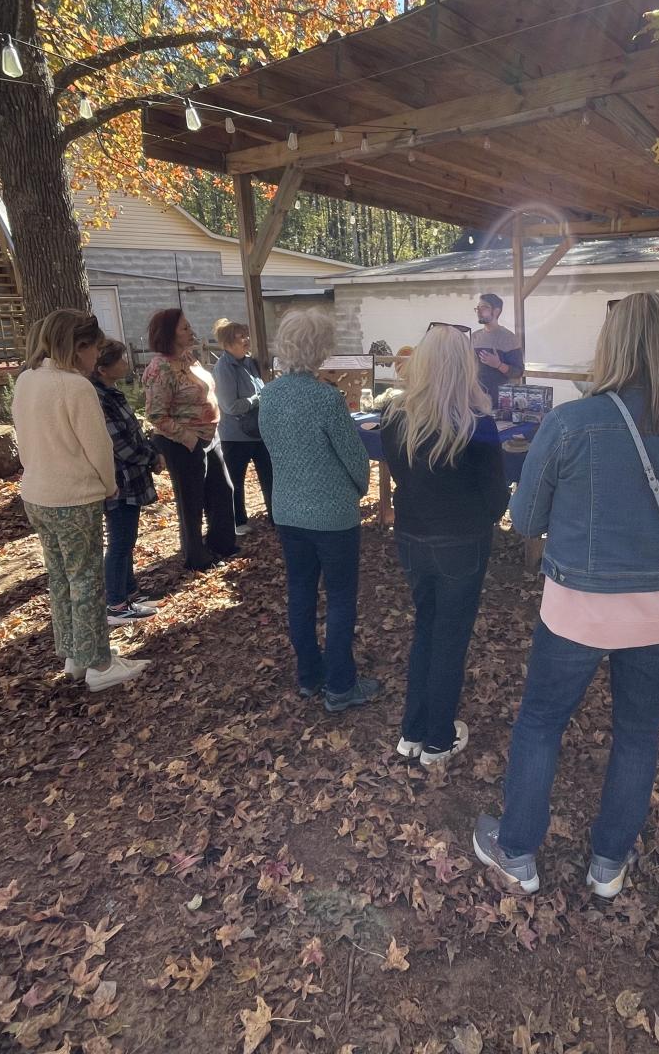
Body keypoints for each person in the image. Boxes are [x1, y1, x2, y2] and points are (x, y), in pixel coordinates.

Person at [473, 293, 659, 899]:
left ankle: (518, 851)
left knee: (541, 723)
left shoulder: (570, 423)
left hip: (576, 610)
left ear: (609, 345)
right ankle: (609, 863)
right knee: (638, 733)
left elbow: (525, 519)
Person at [381, 324, 509, 766]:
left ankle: (413, 730)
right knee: (450, 637)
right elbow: (496, 497)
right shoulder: (478, 424)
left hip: (412, 538)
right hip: (461, 542)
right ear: (464, 367)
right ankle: (437, 740)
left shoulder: (396, 418)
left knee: (426, 627)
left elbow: (401, 476)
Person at [13, 310, 149, 692]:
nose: (97, 357)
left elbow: (23, 439)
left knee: (61, 578)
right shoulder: (75, 386)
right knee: (86, 580)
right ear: (79, 347)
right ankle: (100, 666)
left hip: (37, 494)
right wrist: (109, 486)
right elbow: (99, 448)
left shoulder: (26, 379)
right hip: (72, 497)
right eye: (95, 349)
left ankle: (76, 654)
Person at [258, 309, 380, 712]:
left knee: (300, 591)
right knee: (341, 597)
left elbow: (275, 450)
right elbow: (354, 457)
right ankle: (341, 686)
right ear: (320, 348)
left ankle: (310, 675)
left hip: (288, 510)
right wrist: (360, 488)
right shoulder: (326, 398)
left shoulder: (269, 395)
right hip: (332, 515)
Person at [142, 308, 238, 571]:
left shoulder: (188, 358)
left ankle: (222, 544)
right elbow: (156, 414)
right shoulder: (160, 368)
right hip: (182, 442)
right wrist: (189, 439)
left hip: (210, 436)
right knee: (191, 501)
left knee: (223, 490)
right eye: (184, 328)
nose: (191, 330)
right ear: (168, 334)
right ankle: (196, 557)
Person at [90, 339, 162, 626]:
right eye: (120, 360)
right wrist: (151, 458)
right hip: (118, 480)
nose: (126, 363)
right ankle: (116, 604)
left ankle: (130, 591)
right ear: (103, 368)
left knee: (127, 539)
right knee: (120, 541)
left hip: (132, 477)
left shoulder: (112, 392)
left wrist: (151, 453)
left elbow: (133, 432)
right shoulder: (99, 398)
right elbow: (120, 446)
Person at [211, 318, 274, 537]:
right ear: (228, 343)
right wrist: (259, 398)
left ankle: (276, 516)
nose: (246, 340)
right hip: (235, 435)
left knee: (270, 475)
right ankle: (238, 522)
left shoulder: (250, 362)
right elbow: (230, 406)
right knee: (235, 481)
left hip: (259, 431)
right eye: (240, 337)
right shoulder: (224, 368)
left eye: (246, 335)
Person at [471, 292, 523, 406]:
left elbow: (518, 372)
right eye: (477, 308)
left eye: (483, 308)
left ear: (496, 311)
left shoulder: (509, 338)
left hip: (500, 403)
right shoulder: (474, 337)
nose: (479, 312)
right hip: (476, 401)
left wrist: (498, 365)